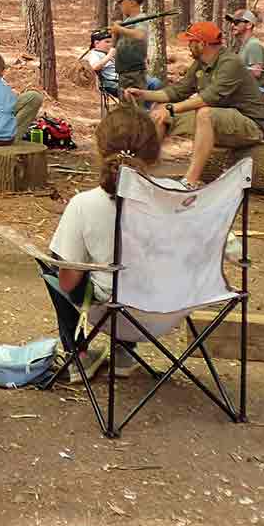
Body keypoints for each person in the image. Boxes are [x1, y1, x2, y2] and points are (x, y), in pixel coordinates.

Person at [45, 107, 168, 382]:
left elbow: (67, 283)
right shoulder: (178, 197)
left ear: (101, 150)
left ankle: (79, 356)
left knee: (54, 266)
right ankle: (125, 355)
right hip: (169, 309)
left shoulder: (84, 205)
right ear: (154, 150)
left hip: (112, 314)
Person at [126, 21, 264, 189]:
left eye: (191, 41)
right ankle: (142, 173)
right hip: (221, 119)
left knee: (204, 113)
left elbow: (207, 98)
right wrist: (144, 94)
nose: (188, 45)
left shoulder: (230, 63)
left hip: (251, 125)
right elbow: (178, 91)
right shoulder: (201, 62)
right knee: (159, 114)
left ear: (202, 44)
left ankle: (190, 181)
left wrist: (171, 108)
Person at [109, 0, 148, 101]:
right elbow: (114, 45)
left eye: (123, 2)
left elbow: (140, 35)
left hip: (134, 74)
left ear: (132, 3)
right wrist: (115, 33)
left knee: (133, 107)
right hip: (124, 73)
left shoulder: (141, 18)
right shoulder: (127, 22)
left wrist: (120, 29)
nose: (121, 6)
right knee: (125, 106)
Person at [226, 9, 264, 82]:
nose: (232, 25)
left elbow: (256, 73)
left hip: (250, 93)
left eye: (236, 22)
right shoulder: (243, 45)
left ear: (249, 25)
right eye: (232, 22)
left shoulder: (254, 45)